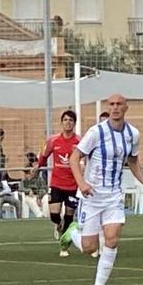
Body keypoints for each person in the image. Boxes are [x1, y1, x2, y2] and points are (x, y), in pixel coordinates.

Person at [61, 94, 143, 285]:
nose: (115, 108)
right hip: (92, 196)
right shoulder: (96, 132)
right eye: (111, 104)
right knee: (90, 248)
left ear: (126, 107)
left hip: (114, 195)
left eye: (119, 104)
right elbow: (74, 157)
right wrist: (81, 184)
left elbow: (132, 160)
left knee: (112, 239)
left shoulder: (133, 134)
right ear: (108, 108)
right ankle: (72, 233)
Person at [37, 109, 80, 256]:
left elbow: (87, 158)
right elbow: (43, 156)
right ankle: (58, 224)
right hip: (56, 183)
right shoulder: (53, 140)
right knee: (54, 215)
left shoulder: (79, 141)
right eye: (65, 120)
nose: (68, 122)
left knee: (69, 215)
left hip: (72, 185)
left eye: (71, 120)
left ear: (74, 123)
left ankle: (64, 247)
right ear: (61, 122)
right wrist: (36, 168)